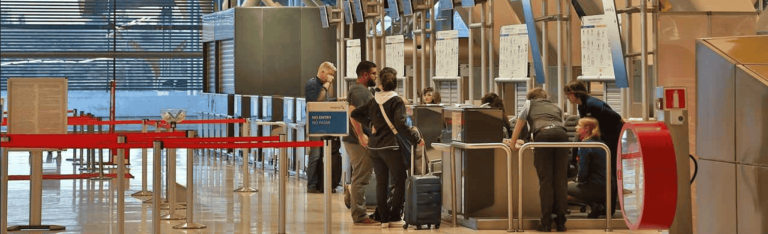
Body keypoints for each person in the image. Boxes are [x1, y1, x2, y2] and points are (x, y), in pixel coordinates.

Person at [351, 67, 424, 228]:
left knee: (381, 183)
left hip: (375, 148)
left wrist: (370, 125)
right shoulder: (396, 101)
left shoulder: (374, 100)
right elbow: (401, 124)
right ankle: (395, 215)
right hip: (391, 147)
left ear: (381, 83)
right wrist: (416, 138)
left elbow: (355, 114)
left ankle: (383, 218)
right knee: (400, 180)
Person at [504, 88, 568, 232]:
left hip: (544, 135)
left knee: (546, 180)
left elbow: (519, 125)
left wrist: (513, 144)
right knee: (560, 180)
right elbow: (559, 124)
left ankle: (545, 223)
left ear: (531, 98)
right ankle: (561, 223)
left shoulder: (529, 103)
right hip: (562, 136)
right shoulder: (555, 106)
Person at [563, 80, 624, 214]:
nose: (567, 97)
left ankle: (609, 209)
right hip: (600, 139)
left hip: (610, 140)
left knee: (610, 172)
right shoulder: (582, 106)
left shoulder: (593, 104)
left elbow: (617, 117)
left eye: (568, 94)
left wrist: (605, 133)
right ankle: (598, 205)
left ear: (573, 93)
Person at [343, 61, 378, 224]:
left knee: (360, 174)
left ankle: (352, 195)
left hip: (356, 139)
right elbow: (352, 113)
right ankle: (360, 215)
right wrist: (360, 135)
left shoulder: (361, 90)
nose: (375, 76)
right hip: (356, 141)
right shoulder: (358, 91)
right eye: (373, 74)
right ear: (365, 75)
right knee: (362, 176)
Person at [305, 61, 342, 193]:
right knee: (315, 155)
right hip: (315, 124)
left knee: (321, 155)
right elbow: (317, 103)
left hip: (324, 124)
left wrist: (338, 100)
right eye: (329, 75)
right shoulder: (312, 84)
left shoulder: (322, 85)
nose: (331, 77)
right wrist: (327, 85)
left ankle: (322, 183)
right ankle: (312, 185)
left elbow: (327, 100)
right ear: (322, 72)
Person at [567, 117, 607, 219]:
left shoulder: (585, 146)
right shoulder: (601, 143)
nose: (576, 128)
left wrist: (576, 181)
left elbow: (583, 173)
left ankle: (561, 215)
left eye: (579, 125)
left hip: (594, 188)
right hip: (606, 187)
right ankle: (595, 204)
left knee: (560, 187)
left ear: (587, 129)